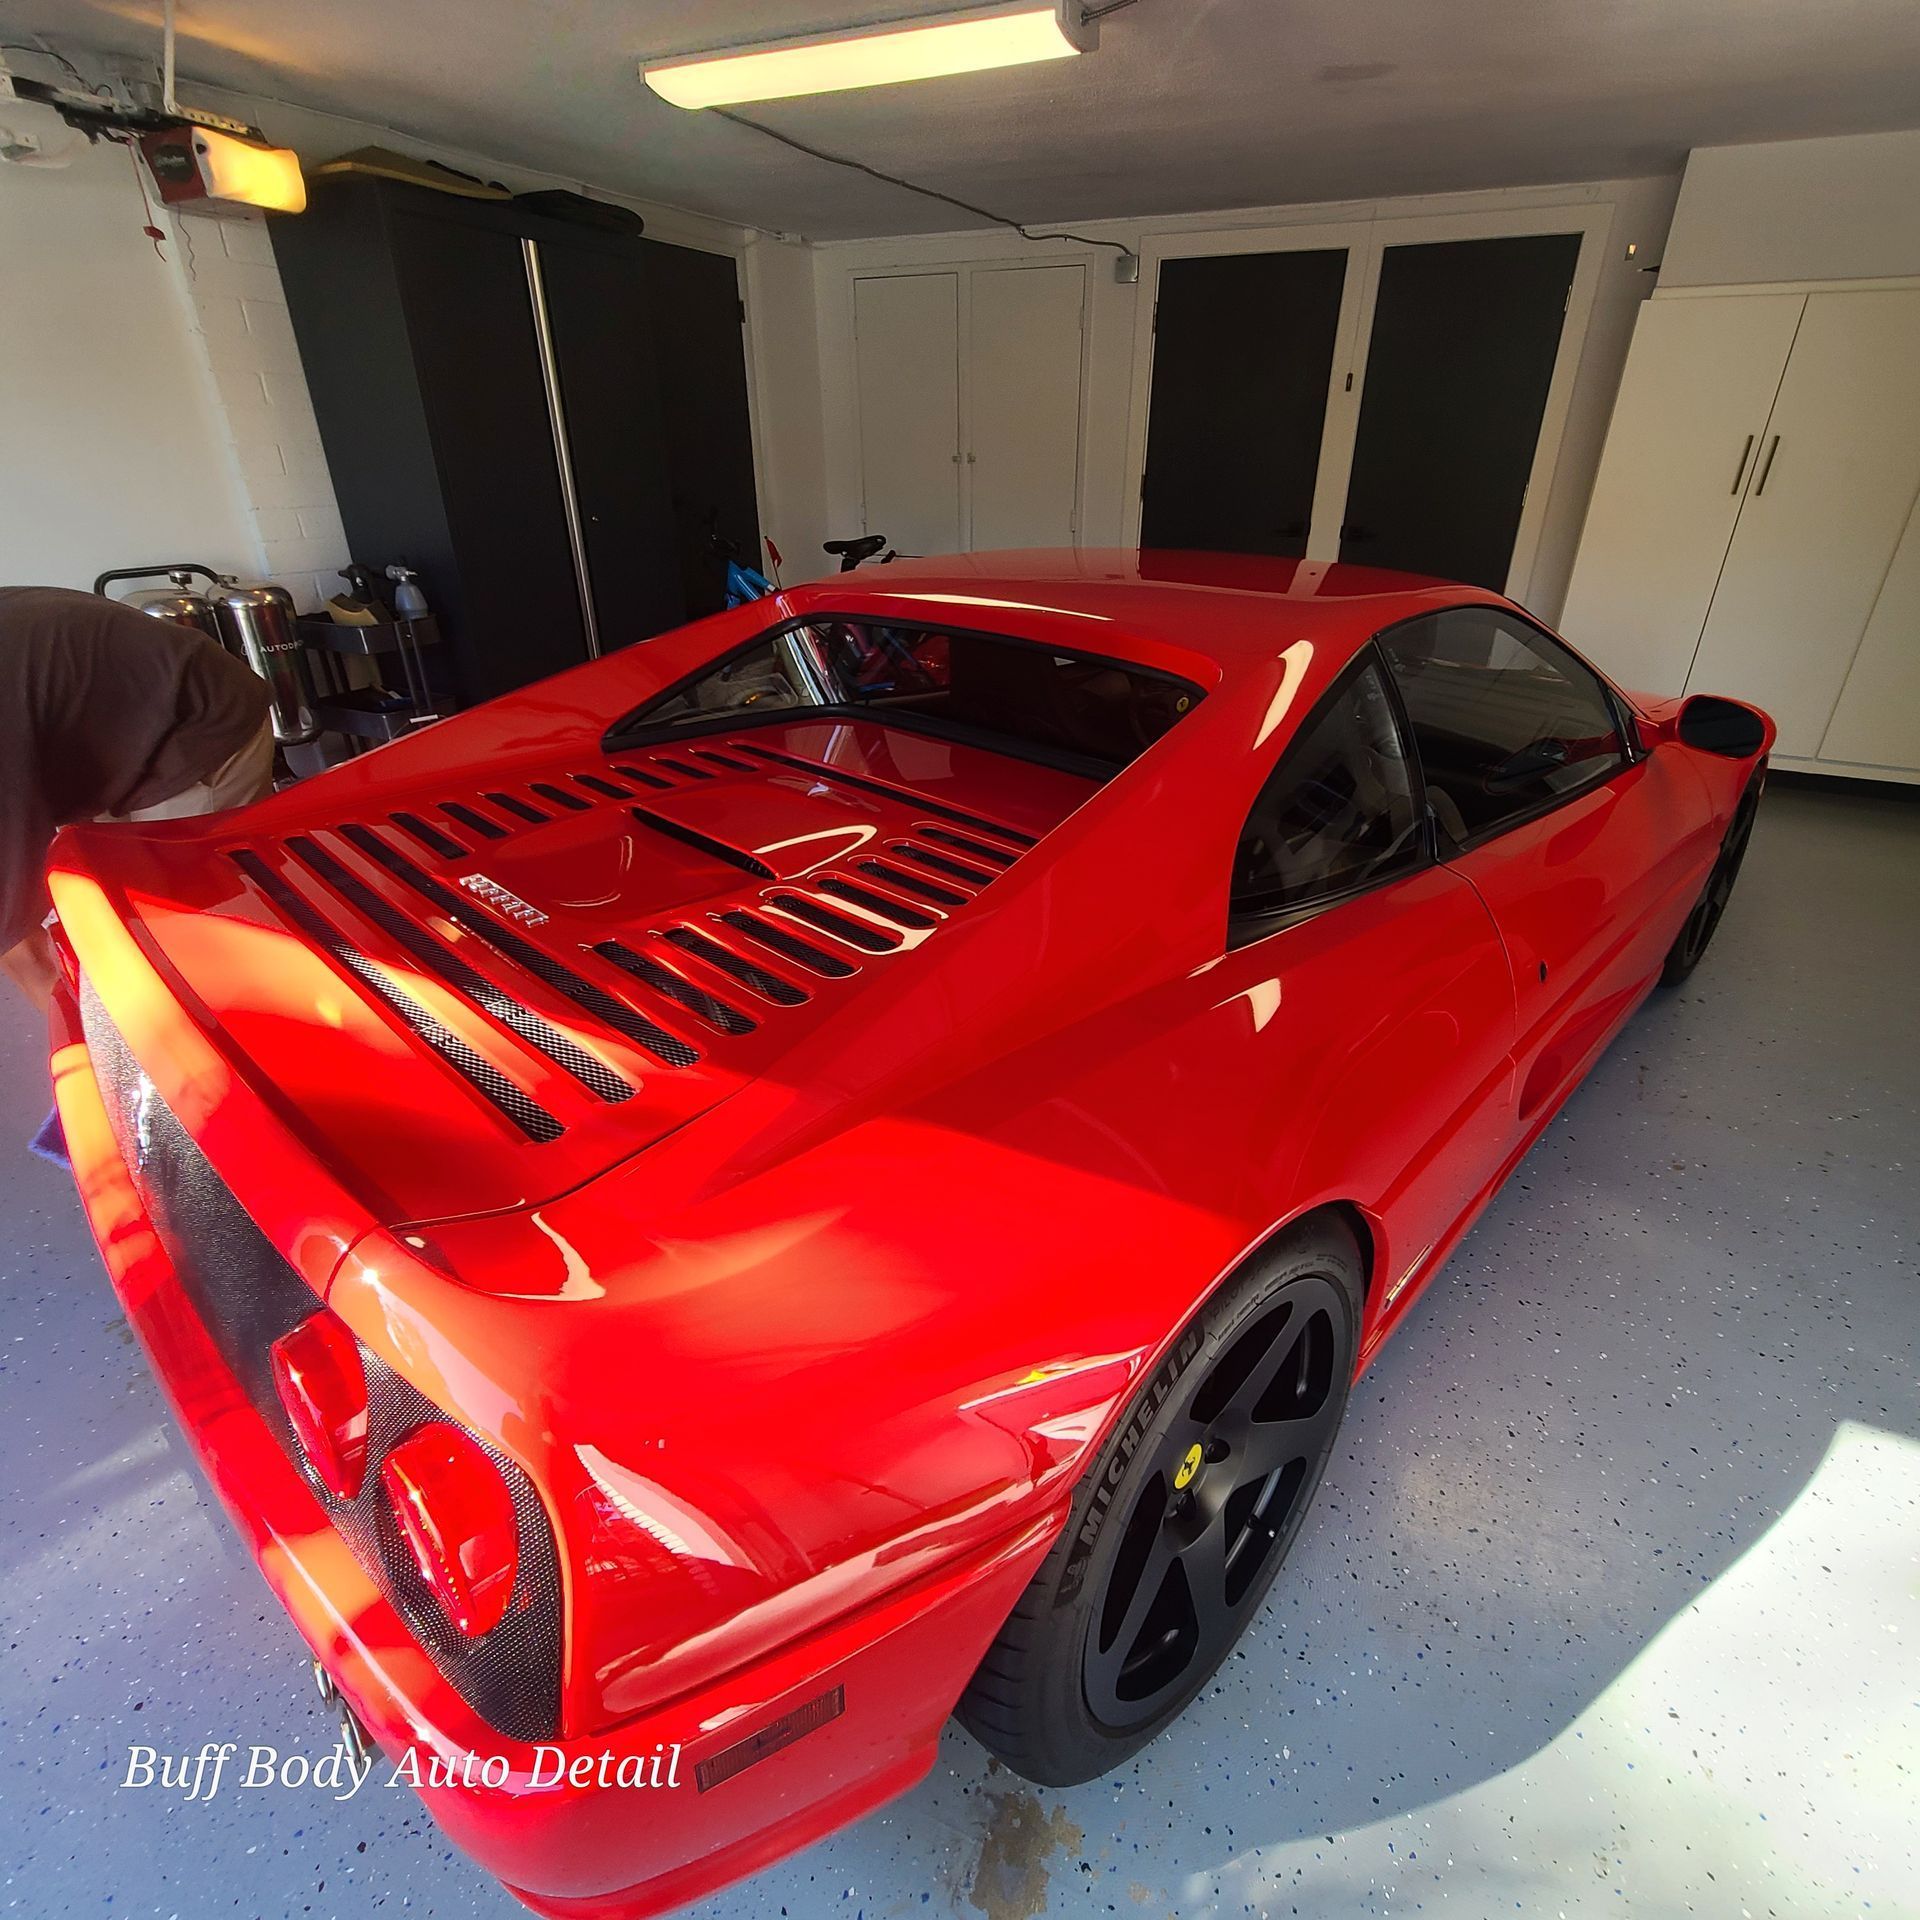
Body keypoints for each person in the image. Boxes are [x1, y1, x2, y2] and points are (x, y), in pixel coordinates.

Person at [2, 585, 274, 1013]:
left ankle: (251, 1033)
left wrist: (85, 1040)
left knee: (192, 926)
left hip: (193, 724)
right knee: (121, 904)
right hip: (115, 728)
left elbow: (20, 940)